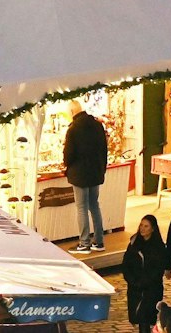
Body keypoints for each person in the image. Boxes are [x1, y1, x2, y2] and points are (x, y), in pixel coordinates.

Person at [62, 101, 110, 252]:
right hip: (95, 172)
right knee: (94, 205)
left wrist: (65, 164)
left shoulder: (73, 129)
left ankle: (84, 242)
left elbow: (69, 153)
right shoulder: (97, 125)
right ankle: (99, 241)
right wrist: (102, 168)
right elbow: (104, 149)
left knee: (81, 207)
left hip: (79, 174)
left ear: (71, 112)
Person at [126, 215, 171, 333]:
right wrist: (132, 280)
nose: (142, 228)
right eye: (141, 225)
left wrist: (145, 282)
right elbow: (126, 264)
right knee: (139, 318)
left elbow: (158, 269)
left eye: (146, 226)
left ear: (153, 229)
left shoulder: (159, 247)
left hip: (151, 289)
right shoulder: (133, 243)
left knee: (145, 317)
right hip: (135, 288)